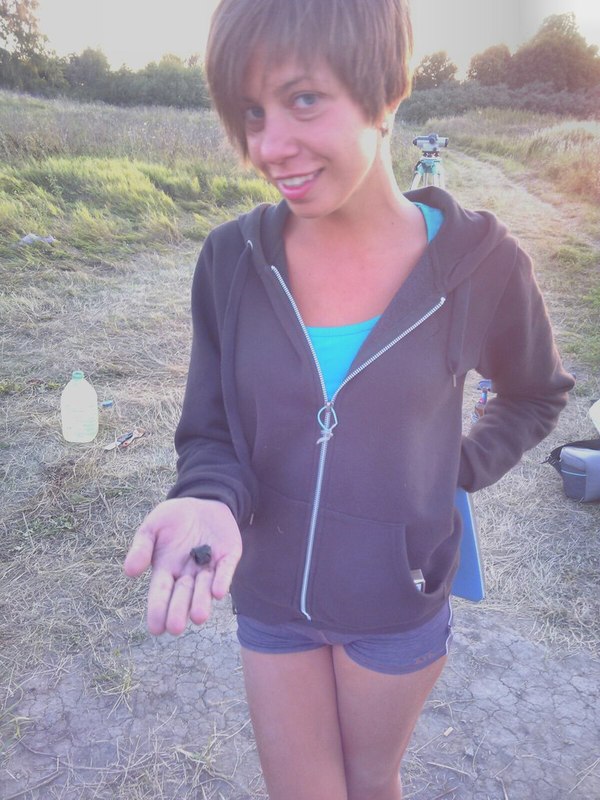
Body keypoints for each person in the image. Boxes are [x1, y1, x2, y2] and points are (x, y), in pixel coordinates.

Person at [124, 1, 575, 798]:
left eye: (303, 99)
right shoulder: (230, 262)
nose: (269, 146)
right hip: (271, 596)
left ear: (388, 93)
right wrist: (208, 496)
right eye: (251, 112)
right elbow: (212, 430)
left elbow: (535, 392)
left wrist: (454, 467)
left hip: (396, 602)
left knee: (371, 783)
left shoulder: (481, 264)